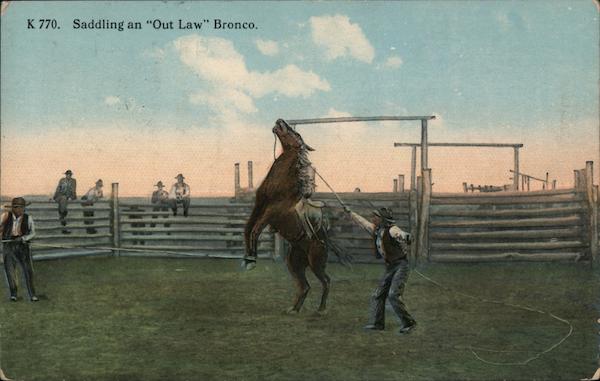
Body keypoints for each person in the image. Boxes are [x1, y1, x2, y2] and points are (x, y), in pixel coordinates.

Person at [343, 205, 416, 334]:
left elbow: (404, 236)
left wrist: (406, 237)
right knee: (378, 295)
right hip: (390, 267)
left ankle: (409, 323)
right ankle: (378, 324)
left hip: (401, 266)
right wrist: (351, 213)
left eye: (375, 217)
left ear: (382, 219)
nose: (373, 219)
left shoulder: (392, 230)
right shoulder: (376, 230)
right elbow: (363, 223)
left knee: (393, 295)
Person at [1, 197, 38, 302]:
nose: (20, 210)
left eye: (22, 207)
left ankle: (32, 294)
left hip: (23, 245)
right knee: (10, 270)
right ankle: (13, 294)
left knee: (28, 270)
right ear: (13, 208)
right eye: (17, 207)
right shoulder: (5, 216)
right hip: (8, 245)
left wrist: (23, 238)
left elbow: (33, 233)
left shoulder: (28, 218)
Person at [53, 169, 77, 234]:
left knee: (63, 204)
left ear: (71, 175)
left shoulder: (73, 181)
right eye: (67, 175)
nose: (68, 176)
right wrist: (54, 196)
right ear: (65, 175)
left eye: (70, 175)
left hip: (68, 196)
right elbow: (58, 188)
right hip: (60, 196)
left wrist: (72, 197)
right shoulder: (62, 180)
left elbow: (74, 190)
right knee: (63, 200)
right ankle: (63, 215)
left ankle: (62, 217)